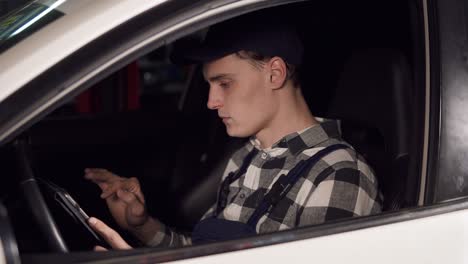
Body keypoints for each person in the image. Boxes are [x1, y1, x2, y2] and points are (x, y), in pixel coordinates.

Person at [85, 14, 382, 250]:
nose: (211, 102)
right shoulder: (245, 159)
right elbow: (205, 252)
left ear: (274, 73)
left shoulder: (338, 173)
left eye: (225, 84)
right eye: (210, 86)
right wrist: (141, 225)